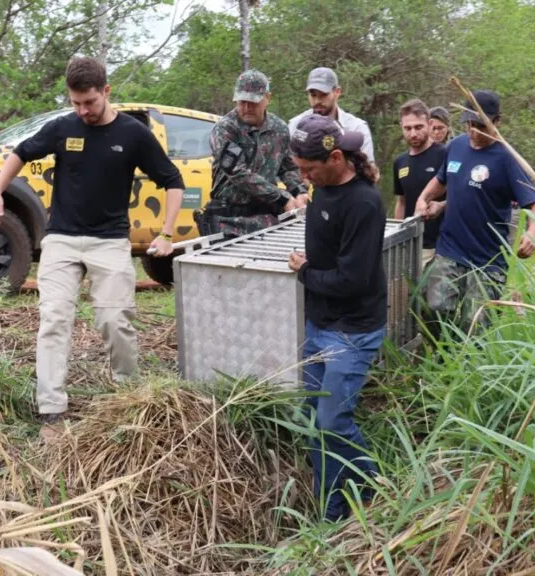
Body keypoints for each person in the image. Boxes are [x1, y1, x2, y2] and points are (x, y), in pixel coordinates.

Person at [0, 56, 185, 436]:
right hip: (61, 239)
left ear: (106, 92)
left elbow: (172, 180)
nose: (83, 111)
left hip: (109, 242)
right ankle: (51, 410)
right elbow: (20, 153)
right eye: (76, 103)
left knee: (114, 319)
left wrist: (167, 232)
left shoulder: (133, 134)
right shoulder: (62, 127)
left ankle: (129, 395)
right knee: (54, 319)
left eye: (89, 102)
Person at [286, 114, 386, 522]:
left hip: (353, 330)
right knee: (314, 420)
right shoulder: (322, 189)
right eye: (301, 170)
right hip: (319, 324)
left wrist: (305, 272)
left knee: (331, 422)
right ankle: (330, 509)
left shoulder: (364, 203)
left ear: (338, 158)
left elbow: (353, 279)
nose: (305, 176)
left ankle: (378, 483)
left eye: (310, 169)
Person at [415, 89, 535, 337]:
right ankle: (441, 359)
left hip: (487, 262)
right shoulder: (456, 146)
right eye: (469, 124)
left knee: (473, 328)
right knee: (432, 308)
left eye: (481, 125)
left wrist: (533, 233)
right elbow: (442, 180)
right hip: (450, 250)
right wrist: (425, 198)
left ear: (497, 122)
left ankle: (463, 370)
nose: (474, 132)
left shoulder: (507, 158)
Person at [198, 69, 307, 240]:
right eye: (242, 102)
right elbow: (237, 172)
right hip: (228, 220)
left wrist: (299, 191)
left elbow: (288, 167)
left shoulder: (279, 129)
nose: (247, 108)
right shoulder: (226, 129)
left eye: (253, 102)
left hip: (266, 219)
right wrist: (281, 198)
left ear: (267, 98)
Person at [392, 98, 448, 266]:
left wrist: (443, 205)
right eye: (407, 128)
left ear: (429, 124)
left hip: (441, 246)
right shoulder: (400, 162)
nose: (413, 134)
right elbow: (401, 201)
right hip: (410, 244)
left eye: (418, 127)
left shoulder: (445, 154)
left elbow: (462, 195)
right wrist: (397, 236)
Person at [288, 67, 377, 170]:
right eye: (313, 95)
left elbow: (369, 170)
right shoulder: (295, 125)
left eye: (324, 95)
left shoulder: (356, 128)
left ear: (337, 92)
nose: (317, 101)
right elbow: (287, 166)